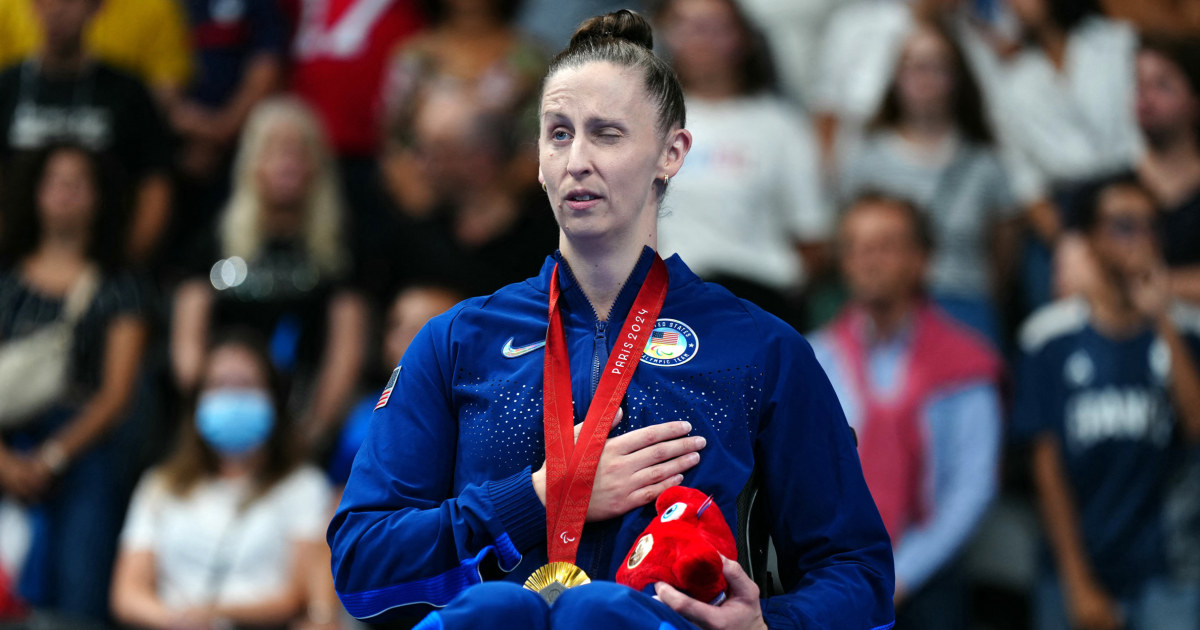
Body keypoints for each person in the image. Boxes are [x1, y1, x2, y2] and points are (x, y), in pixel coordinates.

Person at [329, 10, 894, 630]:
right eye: (559, 134)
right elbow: (359, 564)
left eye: (607, 134)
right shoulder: (457, 340)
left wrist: (770, 624)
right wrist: (540, 497)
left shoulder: (760, 348)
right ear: (538, 159)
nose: (577, 160)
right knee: (498, 611)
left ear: (671, 153)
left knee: (601, 613)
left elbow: (859, 573)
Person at [1014, 177, 1200, 630]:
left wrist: (1162, 317)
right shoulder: (1049, 338)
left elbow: (1197, 429)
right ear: (1090, 239)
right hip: (1074, 564)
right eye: (1124, 225)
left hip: (1167, 567)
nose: (1142, 240)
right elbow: (1047, 468)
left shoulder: (1185, 333)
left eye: (1151, 226)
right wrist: (1078, 581)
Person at [810, 194, 1003, 628]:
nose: (869, 260)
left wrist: (901, 575)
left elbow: (973, 486)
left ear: (921, 259)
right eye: (856, 247)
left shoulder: (965, 361)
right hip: (831, 573)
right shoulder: (813, 357)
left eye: (886, 245)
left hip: (929, 582)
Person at [0, 143, 149, 622]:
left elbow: (115, 394)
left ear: (100, 196)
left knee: (81, 565)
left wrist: (52, 457)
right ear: (34, 192)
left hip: (83, 444)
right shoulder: (5, 279)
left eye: (79, 181)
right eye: (55, 180)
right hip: (5, 433)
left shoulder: (119, 286)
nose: (66, 192)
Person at [170, 97, 369, 456]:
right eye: (275, 150)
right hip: (223, 403)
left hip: (306, 407)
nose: (288, 162)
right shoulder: (212, 239)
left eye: (299, 152)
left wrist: (311, 433)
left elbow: (346, 354)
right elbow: (188, 344)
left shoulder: (342, 248)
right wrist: (211, 416)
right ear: (252, 163)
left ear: (317, 167)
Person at [111, 331, 339, 630]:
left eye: (246, 385)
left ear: (273, 399)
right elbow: (127, 594)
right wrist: (176, 619)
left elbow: (295, 596)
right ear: (197, 402)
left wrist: (212, 613)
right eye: (219, 385)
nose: (232, 398)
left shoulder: (304, 486)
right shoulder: (160, 484)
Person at [839, 20, 1019, 343]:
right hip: (885, 312)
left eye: (937, 66)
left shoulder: (985, 164)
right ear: (895, 78)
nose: (924, 78)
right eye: (914, 67)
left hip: (967, 309)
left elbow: (1003, 254)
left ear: (957, 78)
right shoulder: (865, 161)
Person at [654, 0, 829, 327]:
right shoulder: (648, 118)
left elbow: (812, 237)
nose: (699, 39)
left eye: (714, 28)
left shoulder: (781, 125)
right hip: (667, 300)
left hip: (758, 299)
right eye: (685, 26)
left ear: (744, 39)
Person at [0, 0, 174, 265]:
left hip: (106, 263)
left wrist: (127, 262)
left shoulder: (127, 92)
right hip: (14, 264)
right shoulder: (7, 87)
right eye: (45, 1)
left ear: (95, 8)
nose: (56, 10)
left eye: (69, 2)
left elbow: (155, 183)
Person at [380, 0, 547, 219]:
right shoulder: (414, 55)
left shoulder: (530, 58)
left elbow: (542, 138)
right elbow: (391, 135)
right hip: (419, 210)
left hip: (509, 213)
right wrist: (406, 184)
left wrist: (505, 192)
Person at [385, 92, 559, 298]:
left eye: (436, 154)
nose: (421, 166)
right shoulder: (417, 236)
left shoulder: (549, 233)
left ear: (481, 162)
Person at [327, 284, 462, 489]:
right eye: (396, 325)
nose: (402, 338)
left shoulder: (481, 414)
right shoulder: (366, 411)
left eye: (423, 327)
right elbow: (342, 490)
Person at [0, 0, 193, 102]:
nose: (55, 11)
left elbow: (166, 93)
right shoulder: (6, 7)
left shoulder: (154, 6)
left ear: (95, 7)